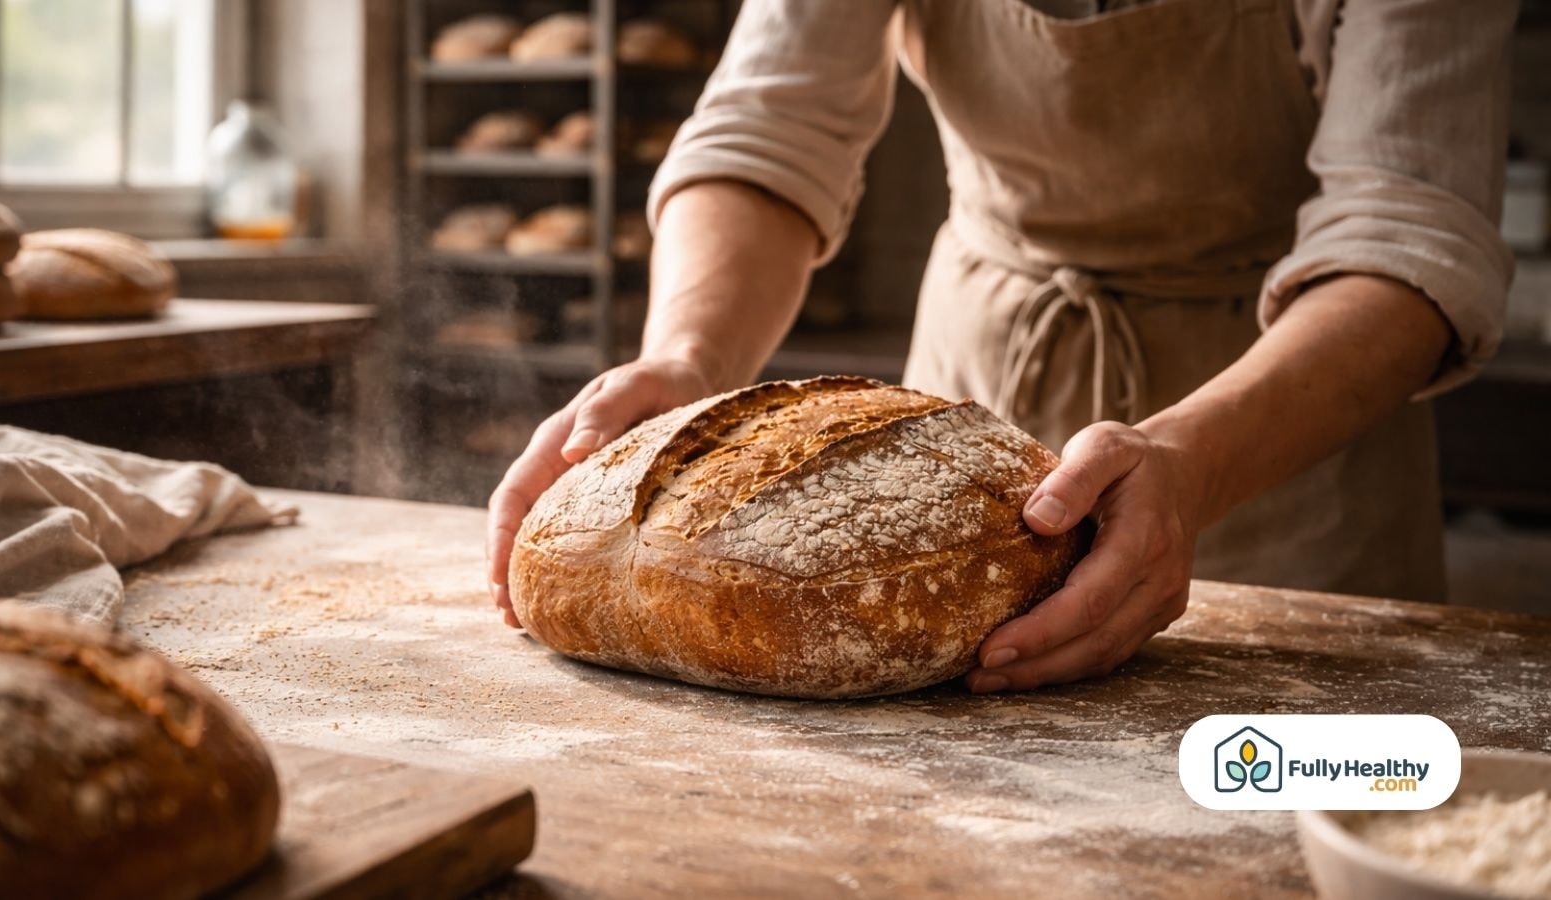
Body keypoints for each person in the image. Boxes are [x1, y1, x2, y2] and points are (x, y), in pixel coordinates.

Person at [488, 0, 1517, 693]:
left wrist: (1190, 467)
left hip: (1288, 412)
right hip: (958, 428)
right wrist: (687, 367)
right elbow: (768, 126)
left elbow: (1406, 230)